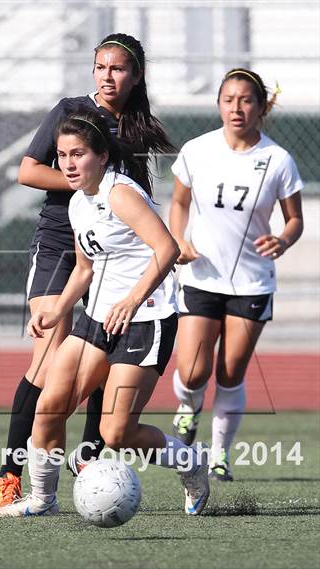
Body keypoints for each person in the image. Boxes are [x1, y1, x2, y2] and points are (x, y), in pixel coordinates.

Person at [0, 110, 210, 519]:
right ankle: (42, 499)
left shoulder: (120, 194)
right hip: (98, 319)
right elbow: (85, 269)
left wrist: (130, 300)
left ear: (103, 157)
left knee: (116, 433)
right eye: (61, 155)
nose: (69, 164)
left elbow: (167, 250)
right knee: (51, 404)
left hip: (146, 319)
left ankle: (190, 462)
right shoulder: (78, 203)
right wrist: (57, 309)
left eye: (78, 154)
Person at [169, 68, 304, 481]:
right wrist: (178, 241)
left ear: (262, 107)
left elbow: (294, 219)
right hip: (200, 276)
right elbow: (178, 203)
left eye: (246, 100)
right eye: (229, 99)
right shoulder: (197, 150)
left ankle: (219, 456)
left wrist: (282, 240)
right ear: (219, 104)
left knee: (230, 373)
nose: (237, 108)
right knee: (193, 371)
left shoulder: (278, 160)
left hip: (251, 283)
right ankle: (188, 408)